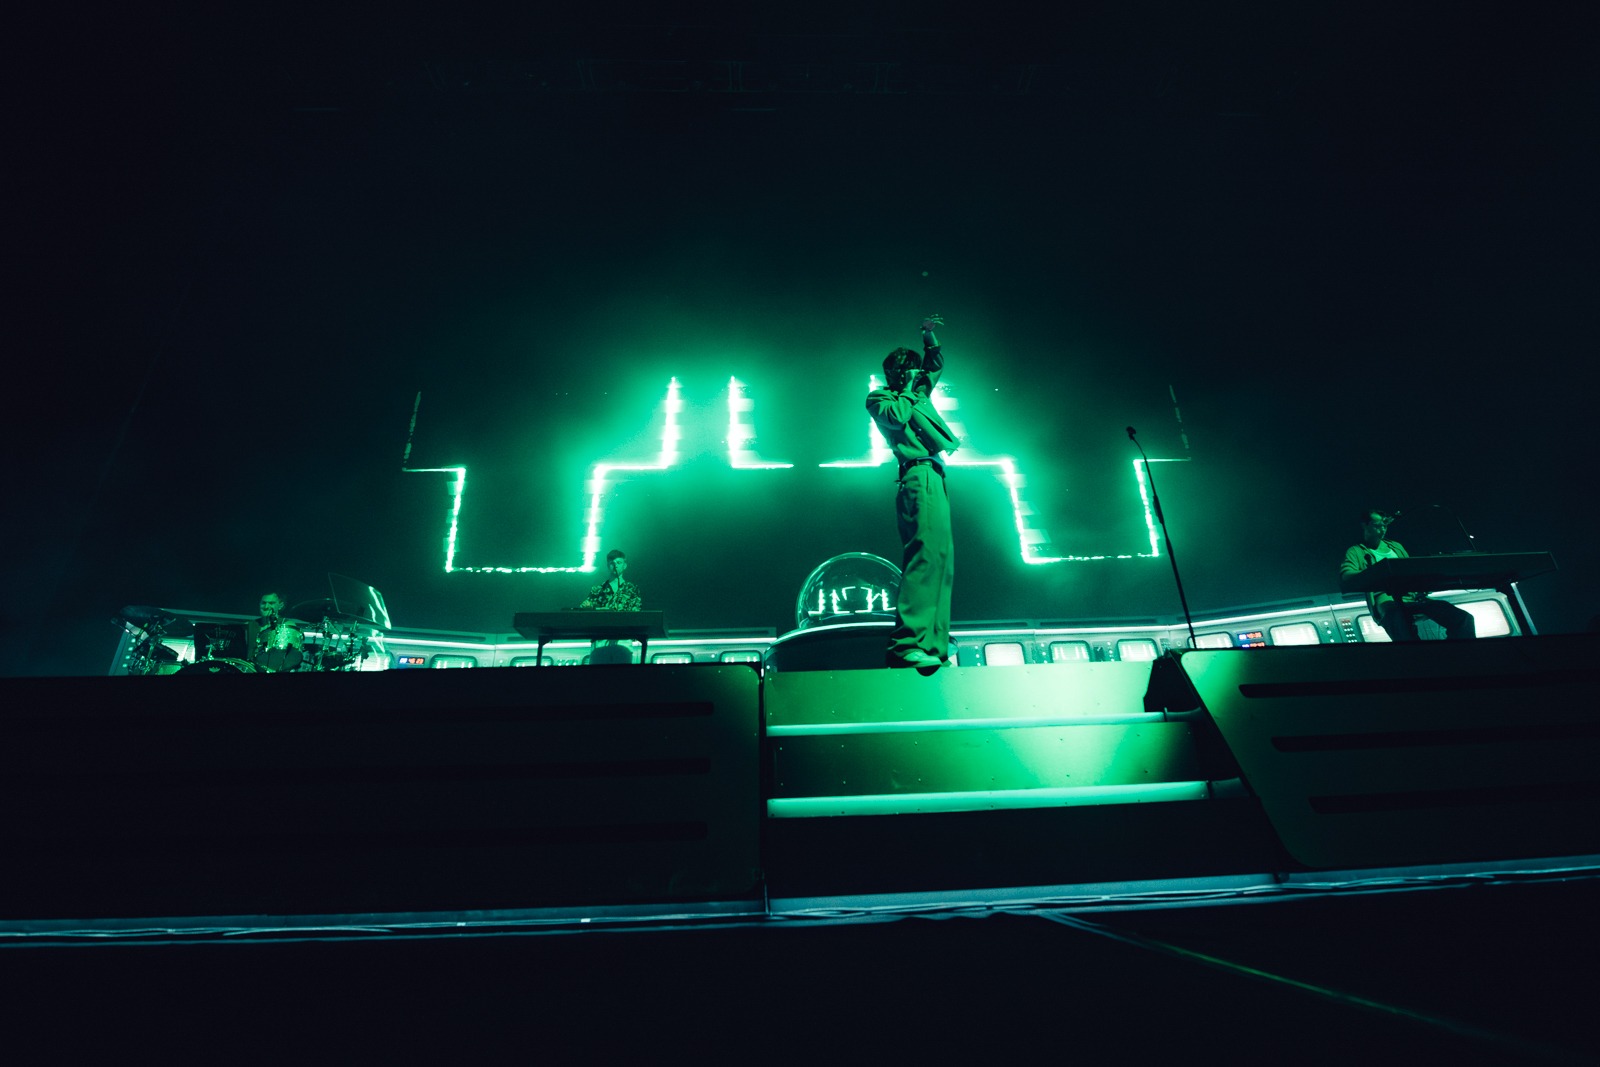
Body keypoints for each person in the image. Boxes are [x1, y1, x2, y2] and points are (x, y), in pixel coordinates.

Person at [867, 314, 960, 673]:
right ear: (894, 373)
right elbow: (895, 417)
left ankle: (934, 645)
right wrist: (907, 388)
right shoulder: (881, 398)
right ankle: (906, 644)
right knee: (923, 555)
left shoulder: (917, 392)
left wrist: (928, 336)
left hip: (935, 473)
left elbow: (934, 365)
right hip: (915, 475)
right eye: (906, 370)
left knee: (941, 559)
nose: (914, 375)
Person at [1339, 510, 1475, 642]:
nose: (1382, 529)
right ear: (1364, 525)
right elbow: (1346, 575)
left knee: (1463, 619)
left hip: (1412, 596)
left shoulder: (1396, 546)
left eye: (1384, 525)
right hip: (1385, 598)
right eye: (1377, 526)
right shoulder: (1356, 551)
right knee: (1400, 621)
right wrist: (1377, 572)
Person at [580, 550, 642, 663]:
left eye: (619, 562)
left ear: (625, 565)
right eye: (612, 563)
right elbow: (584, 610)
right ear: (608, 566)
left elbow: (635, 614)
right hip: (600, 643)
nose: (615, 566)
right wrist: (587, 607)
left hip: (623, 642)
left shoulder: (632, 589)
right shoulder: (597, 590)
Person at [249, 591, 304, 671]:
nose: (266, 606)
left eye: (271, 603)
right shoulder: (250, 625)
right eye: (263, 603)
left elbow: (290, 654)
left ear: (280, 605)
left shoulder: (287, 624)